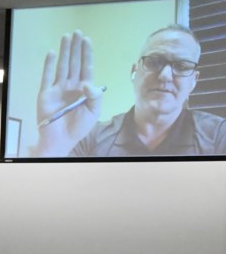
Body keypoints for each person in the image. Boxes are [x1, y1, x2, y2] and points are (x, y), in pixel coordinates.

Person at [31, 25, 226, 157]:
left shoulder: (219, 135)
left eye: (182, 66)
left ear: (194, 81)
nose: (165, 75)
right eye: (154, 62)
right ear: (134, 72)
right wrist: (53, 144)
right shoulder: (91, 137)